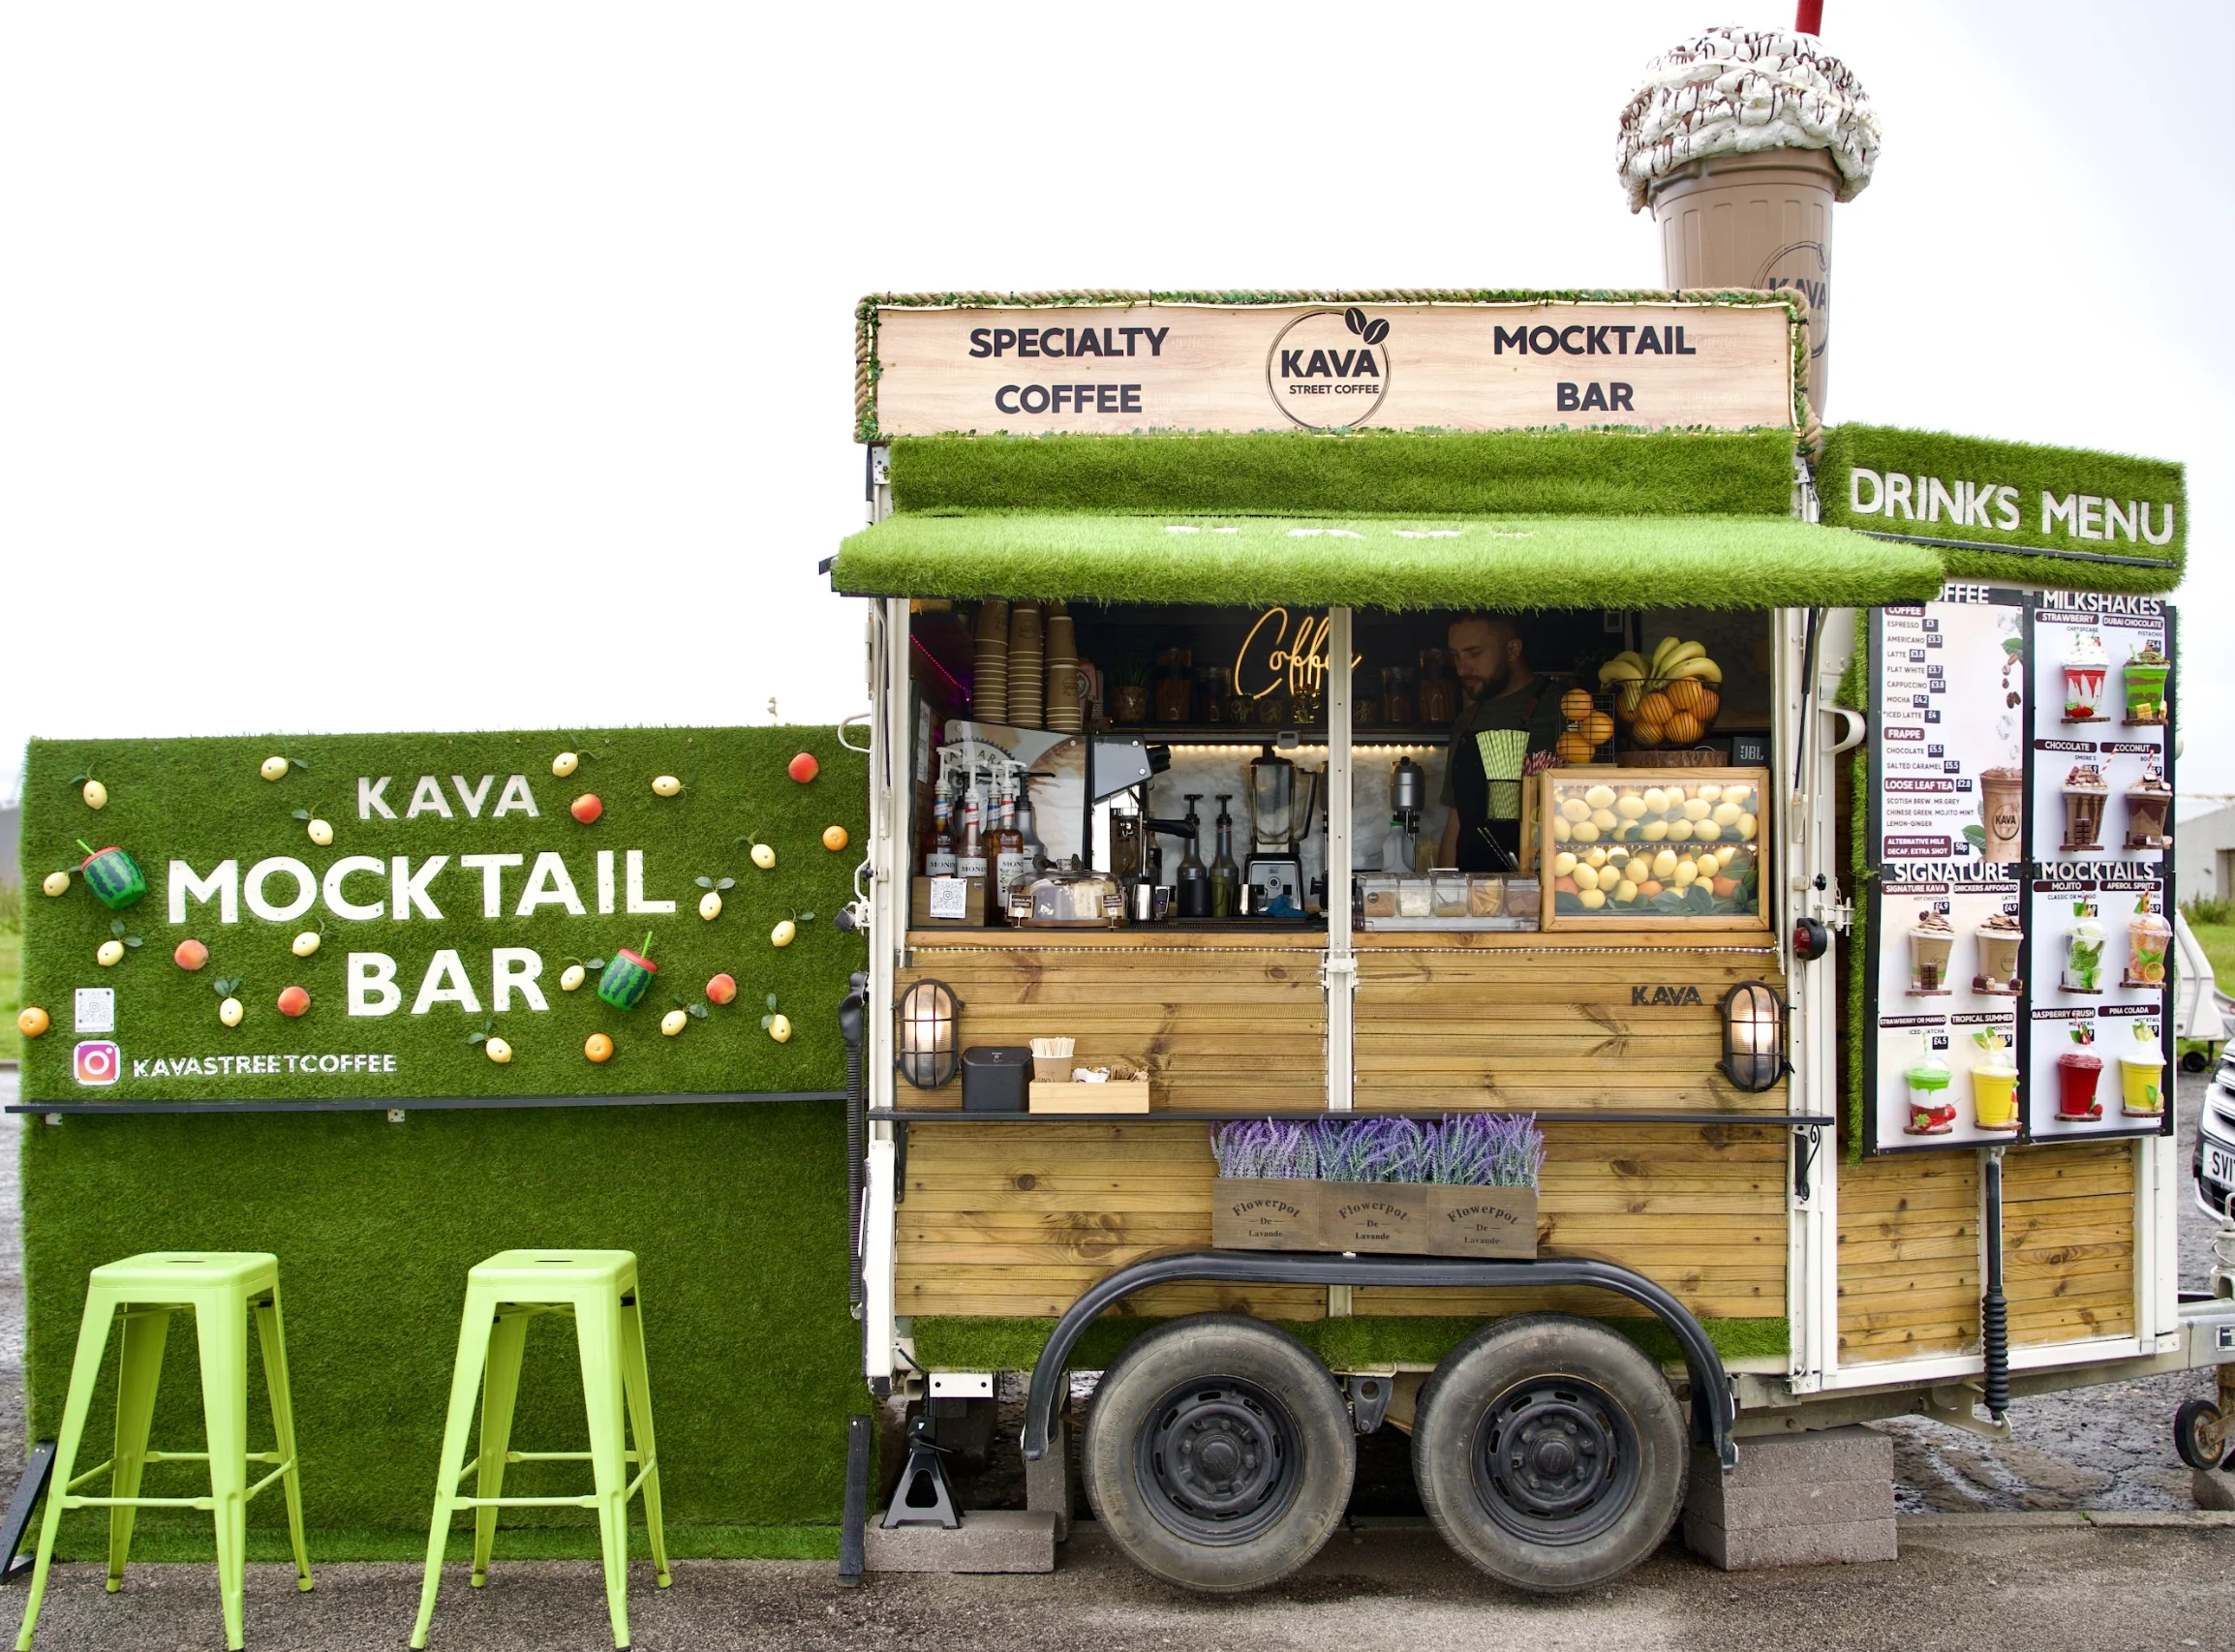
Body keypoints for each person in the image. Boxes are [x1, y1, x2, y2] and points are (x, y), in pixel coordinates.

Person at [1436, 614, 1566, 872]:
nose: (1462, 669)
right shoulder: (1466, 723)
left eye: (1474, 653)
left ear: (1512, 650)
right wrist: (1446, 892)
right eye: (1456, 655)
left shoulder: (1562, 709)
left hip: (1550, 885)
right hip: (1475, 893)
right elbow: (1456, 819)